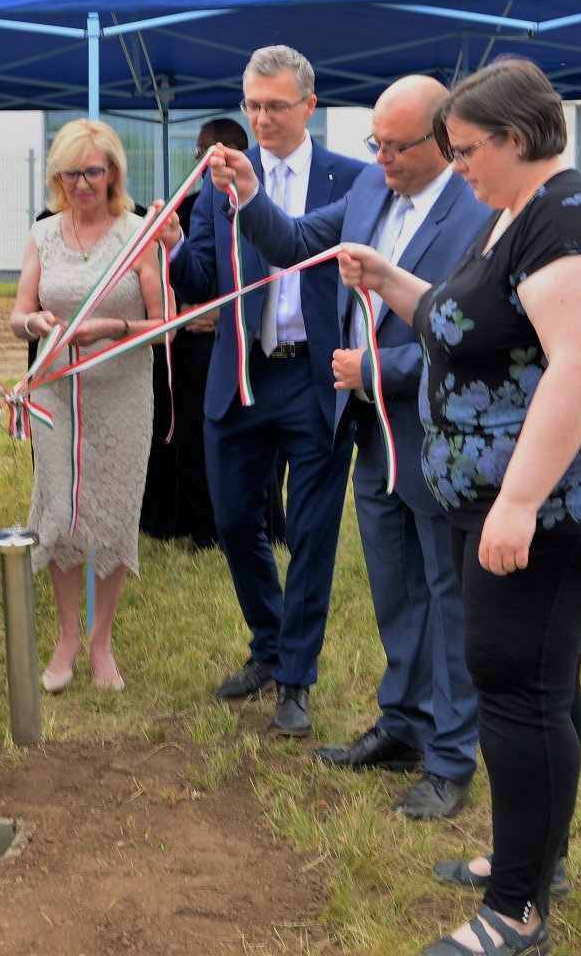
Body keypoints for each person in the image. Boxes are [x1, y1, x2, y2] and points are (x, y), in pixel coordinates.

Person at [338, 57, 581, 956]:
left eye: (465, 149)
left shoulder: (571, 220)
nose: (457, 166)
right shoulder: (516, 213)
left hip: (564, 500)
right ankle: (535, 861)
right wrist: (389, 279)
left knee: (516, 685)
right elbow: (466, 320)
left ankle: (516, 911)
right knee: (539, 680)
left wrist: (517, 503)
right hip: (516, 496)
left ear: (515, 139)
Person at [219, 75, 490, 819]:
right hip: (370, 432)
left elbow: (474, 337)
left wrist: (378, 369)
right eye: (376, 142)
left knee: (447, 598)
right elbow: (297, 243)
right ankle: (403, 725)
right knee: (395, 588)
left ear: (444, 141)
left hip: (436, 437)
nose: (382, 158)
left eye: (397, 146)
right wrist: (251, 195)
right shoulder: (372, 188)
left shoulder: (478, 215)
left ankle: (451, 755)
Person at [165, 45, 364, 737]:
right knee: (232, 522)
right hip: (241, 376)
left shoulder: (353, 180)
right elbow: (199, 280)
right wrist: (172, 245)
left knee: (310, 533)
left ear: (310, 105)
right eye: (251, 105)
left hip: (315, 376)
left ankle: (296, 678)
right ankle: (270, 643)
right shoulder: (216, 182)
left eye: (275, 105)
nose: (261, 118)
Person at [12, 120, 164, 692]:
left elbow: (165, 325)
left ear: (113, 173)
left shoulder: (139, 234)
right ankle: (67, 639)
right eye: (71, 173)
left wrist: (111, 328)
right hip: (56, 390)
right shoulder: (42, 234)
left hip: (122, 391)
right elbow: (18, 313)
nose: (81, 184)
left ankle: (102, 643)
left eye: (92, 172)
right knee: (62, 514)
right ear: (57, 176)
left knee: (114, 514)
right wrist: (34, 322)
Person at [140, 117, 286, 552]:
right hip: (200, 348)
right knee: (205, 438)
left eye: (209, 154)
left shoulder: (269, 198)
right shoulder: (195, 205)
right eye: (200, 155)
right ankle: (207, 526)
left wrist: (229, 313)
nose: (204, 163)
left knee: (263, 443)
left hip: (260, 345)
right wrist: (177, 254)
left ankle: (265, 525)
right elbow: (193, 275)